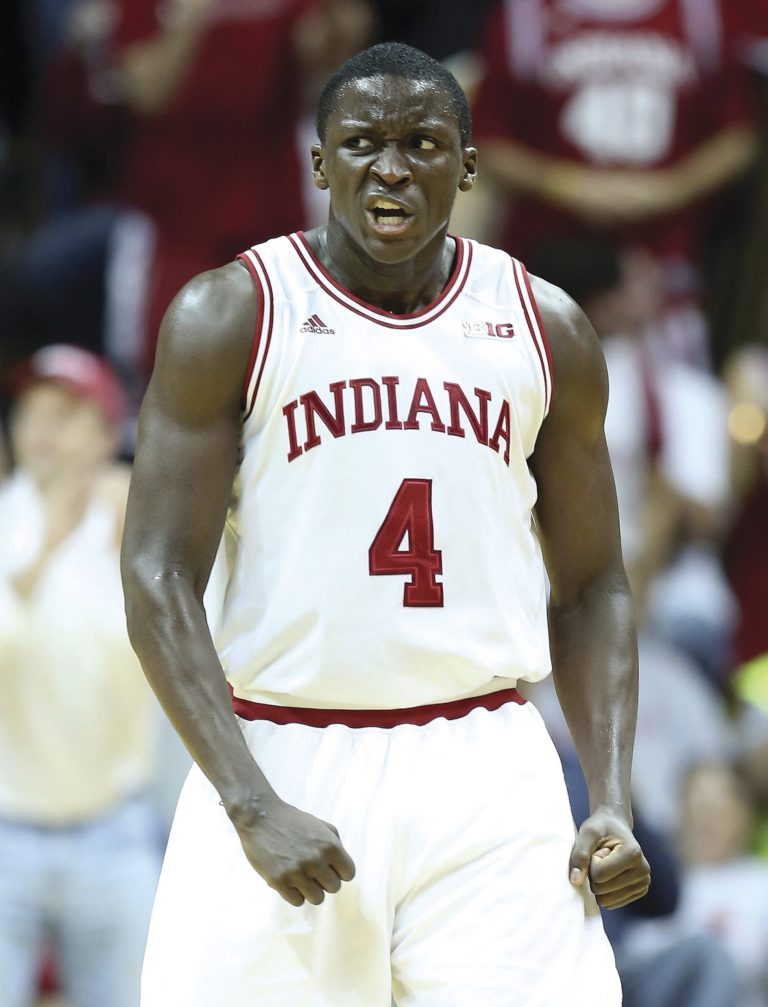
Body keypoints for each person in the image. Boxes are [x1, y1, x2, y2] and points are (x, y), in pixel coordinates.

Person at [121, 42, 650, 1005]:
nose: (393, 167)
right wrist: (248, 801)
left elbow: (593, 585)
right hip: (284, 749)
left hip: (484, 755)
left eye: (424, 143)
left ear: (469, 163)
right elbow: (157, 572)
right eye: (362, 143)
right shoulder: (231, 314)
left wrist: (610, 793)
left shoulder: (544, 327)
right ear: (319, 163)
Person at [0, 344, 160, 1007]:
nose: (41, 428)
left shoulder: (139, 526)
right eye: (30, 410)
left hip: (116, 829)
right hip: (6, 828)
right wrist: (46, 551)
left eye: (64, 413)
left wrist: (141, 533)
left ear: (106, 430)